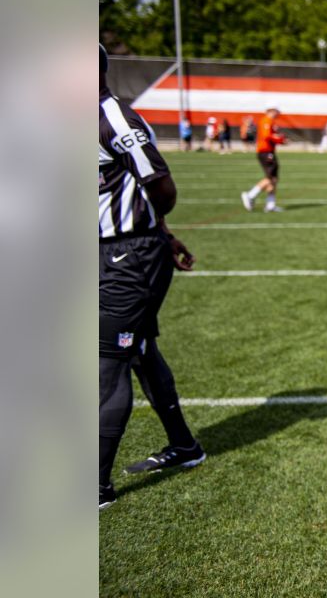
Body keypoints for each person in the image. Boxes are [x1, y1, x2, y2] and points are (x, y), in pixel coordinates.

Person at [98, 45, 205, 510]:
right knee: (139, 350)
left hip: (128, 257)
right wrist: (163, 233)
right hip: (116, 252)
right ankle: (185, 447)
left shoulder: (112, 118)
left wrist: (151, 234)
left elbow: (159, 183)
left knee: (107, 360)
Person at [240, 108, 287, 212]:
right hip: (266, 152)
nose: (279, 113)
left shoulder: (269, 121)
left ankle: (270, 204)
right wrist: (280, 139)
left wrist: (281, 140)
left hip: (269, 151)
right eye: (277, 111)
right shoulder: (266, 120)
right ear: (272, 110)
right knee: (270, 178)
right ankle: (250, 195)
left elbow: (272, 136)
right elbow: (267, 136)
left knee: (274, 178)